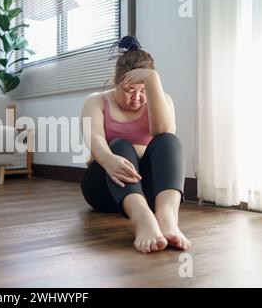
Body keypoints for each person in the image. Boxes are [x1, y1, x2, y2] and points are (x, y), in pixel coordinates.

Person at [80, 36, 191, 254]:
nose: (137, 98)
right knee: (119, 145)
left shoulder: (161, 99)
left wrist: (153, 80)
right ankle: (143, 219)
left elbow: (164, 136)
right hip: (105, 188)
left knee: (169, 140)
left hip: (147, 189)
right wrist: (109, 158)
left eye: (143, 91)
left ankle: (167, 218)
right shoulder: (95, 101)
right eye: (130, 90)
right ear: (115, 81)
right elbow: (95, 140)